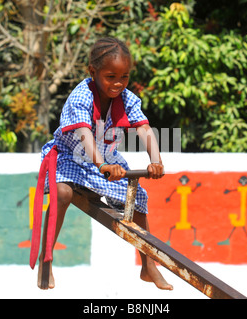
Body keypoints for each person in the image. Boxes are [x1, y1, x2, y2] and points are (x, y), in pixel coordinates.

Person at [30, 37, 173, 291]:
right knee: (62, 192)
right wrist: (102, 165)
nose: (118, 83)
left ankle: (148, 265)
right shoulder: (81, 96)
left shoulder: (126, 98)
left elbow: (144, 128)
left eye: (124, 77)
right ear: (93, 72)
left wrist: (156, 161)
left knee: (137, 197)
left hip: (105, 158)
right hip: (70, 156)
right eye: (111, 76)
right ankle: (46, 258)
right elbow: (84, 133)